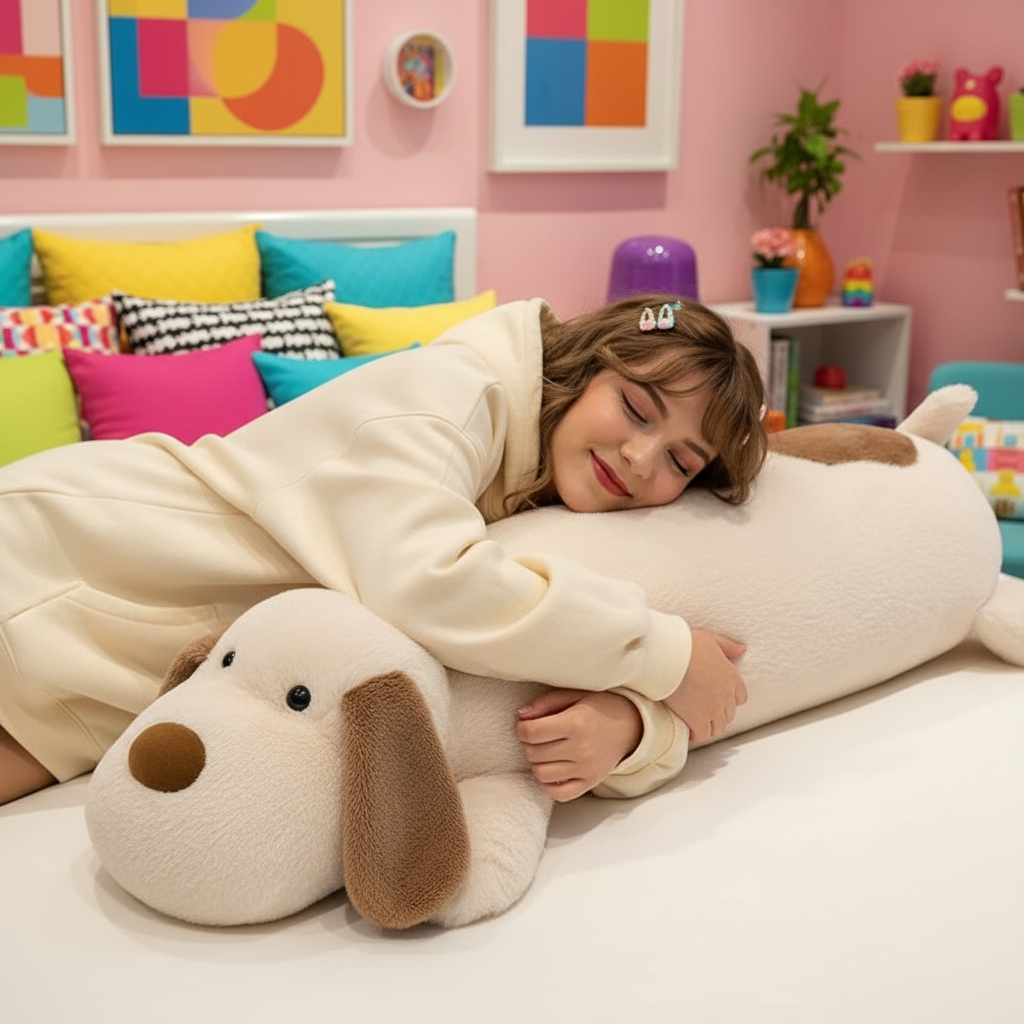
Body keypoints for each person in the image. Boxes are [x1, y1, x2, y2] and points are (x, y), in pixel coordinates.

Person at [0, 294, 767, 807]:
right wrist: (662, 653)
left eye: (681, 461)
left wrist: (638, 730)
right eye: (636, 407)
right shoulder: (447, 394)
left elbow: (492, 685)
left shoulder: (543, 486)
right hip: (65, 563)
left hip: (112, 689)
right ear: (586, 362)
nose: (641, 458)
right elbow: (430, 586)